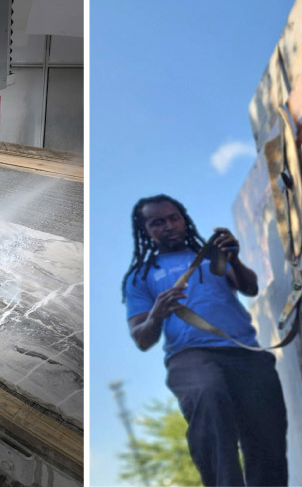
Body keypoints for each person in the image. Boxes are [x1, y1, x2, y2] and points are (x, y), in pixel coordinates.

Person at [122, 194, 288, 486]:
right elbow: (141, 338)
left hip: (244, 352)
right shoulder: (141, 276)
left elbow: (249, 288)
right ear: (145, 230)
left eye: (174, 218)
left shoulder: (213, 258)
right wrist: (157, 314)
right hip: (190, 357)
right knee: (207, 394)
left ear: (184, 219)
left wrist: (233, 258)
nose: (169, 226)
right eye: (157, 222)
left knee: (267, 434)